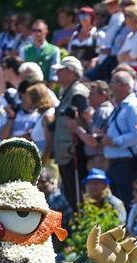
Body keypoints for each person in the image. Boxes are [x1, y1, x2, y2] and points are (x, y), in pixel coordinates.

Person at [103, 70, 137, 208]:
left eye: (113, 82)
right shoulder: (120, 107)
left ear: (123, 86)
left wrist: (114, 141)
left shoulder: (133, 107)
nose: (110, 86)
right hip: (116, 163)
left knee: (127, 200)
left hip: (127, 163)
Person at [52, 56, 91, 208]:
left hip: (75, 151)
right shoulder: (66, 92)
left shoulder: (78, 93)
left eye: (61, 70)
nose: (57, 74)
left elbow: (87, 117)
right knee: (69, 192)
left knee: (76, 193)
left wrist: (79, 128)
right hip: (65, 151)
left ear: (71, 72)